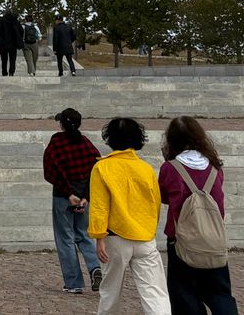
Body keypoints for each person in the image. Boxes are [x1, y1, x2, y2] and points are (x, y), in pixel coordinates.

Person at [88, 117, 170, 314]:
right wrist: (150, 229)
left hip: (115, 237)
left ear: (110, 138)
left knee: (110, 293)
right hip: (144, 236)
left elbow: (99, 207)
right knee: (155, 293)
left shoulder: (102, 167)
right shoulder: (146, 169)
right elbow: (155, 203)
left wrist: (99, 237)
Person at [158, 115, 237, 314]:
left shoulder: (170, 168)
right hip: (213, 237)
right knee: (220, 293)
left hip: (181, 239)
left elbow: (164, 197)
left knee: (184, 294)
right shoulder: (214, 167)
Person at [43, 108, 103, 294]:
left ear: (62, 124)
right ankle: (95, 268)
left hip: (63, 198)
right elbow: (96, 169)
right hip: (83, 198)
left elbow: (51, 172)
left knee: (65, 239)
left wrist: (69, 194)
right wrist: (85, 196)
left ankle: (74, 283)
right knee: (84, 235)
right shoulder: (85, 143)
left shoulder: (56, 142)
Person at [0, 10, 24, 77]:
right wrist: (19, 39)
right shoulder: (15, 21)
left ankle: (4, 72)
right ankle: (11, 72)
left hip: (3, 44)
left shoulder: (1, 21)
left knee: (4, 59)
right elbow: (21, 31)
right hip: (13, 44)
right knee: (13, 59)